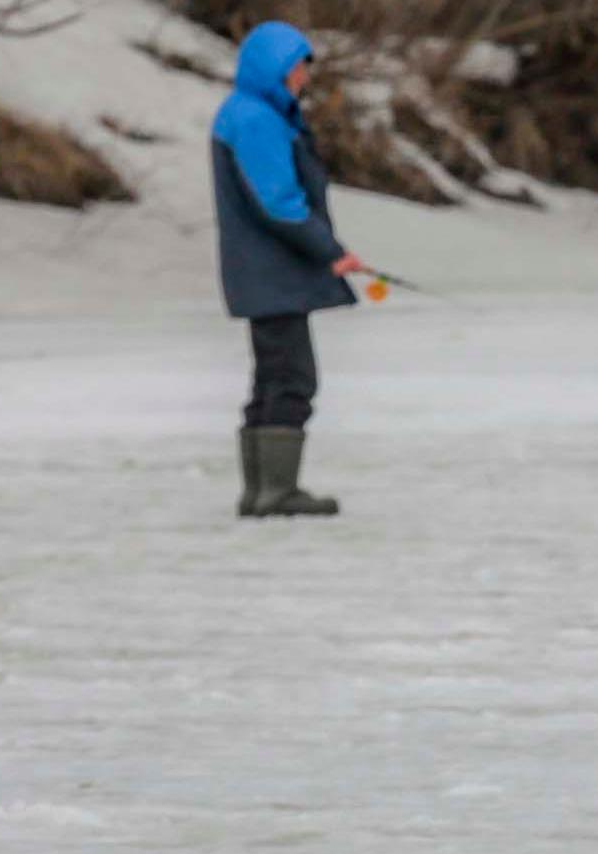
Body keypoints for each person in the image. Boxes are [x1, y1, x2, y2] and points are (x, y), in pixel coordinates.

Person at [211, 20, 363, 518]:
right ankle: (274, 492)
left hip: (266, 274)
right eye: (298, 67)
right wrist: (329, 250)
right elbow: (279, 203)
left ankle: (261, 492)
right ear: (274, 69)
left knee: (273, 379)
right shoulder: (256, 119)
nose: (304, 77)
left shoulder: (251, 114)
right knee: (292, 379)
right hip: (272, 275)